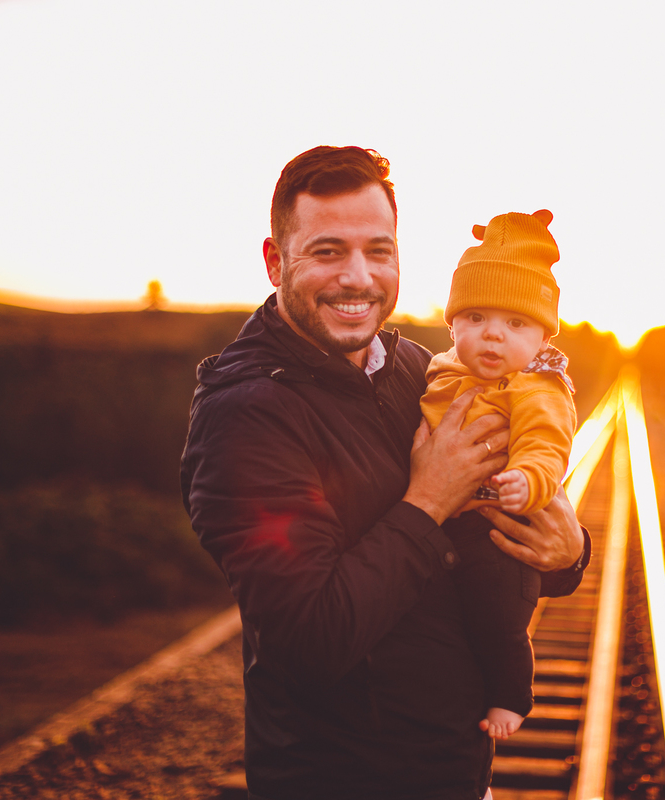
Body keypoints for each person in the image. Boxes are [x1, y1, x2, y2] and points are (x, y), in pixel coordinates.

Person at [179, 145, 590, 800]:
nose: (358, 277)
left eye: (379, 250)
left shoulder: (414, 372)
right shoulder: (249, 418)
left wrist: (568, 553)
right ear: (275, 260)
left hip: (450, 769)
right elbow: (310, 637)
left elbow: (480, 552)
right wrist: (427, 501)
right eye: (327, 251)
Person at [420, 209, 576, 740]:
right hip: (441, 525)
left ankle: (511, 694)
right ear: (454, 324)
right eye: (477, 318)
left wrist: (528, 480)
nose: (493, 336)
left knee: (498, 614)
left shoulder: (534, 388)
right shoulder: (439, 371)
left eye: (515, 324)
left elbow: (546, 443)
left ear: (540, 339)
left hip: (497, 522)